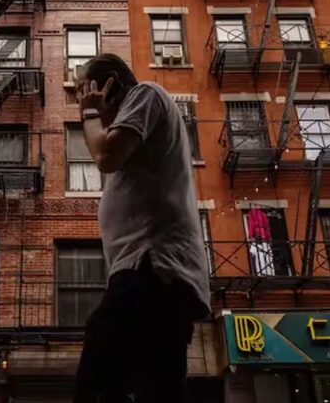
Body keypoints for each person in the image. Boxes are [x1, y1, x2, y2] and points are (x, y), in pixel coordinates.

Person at [72, 53, 211, 403]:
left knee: (97, 379)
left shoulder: (146, 94)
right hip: (157, 279)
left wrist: (90, 113)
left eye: (85, 91)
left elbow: (106, 156)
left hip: (152, 268)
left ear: (111, 85)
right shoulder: (138, 141)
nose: (82, 101)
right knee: (157, 390)